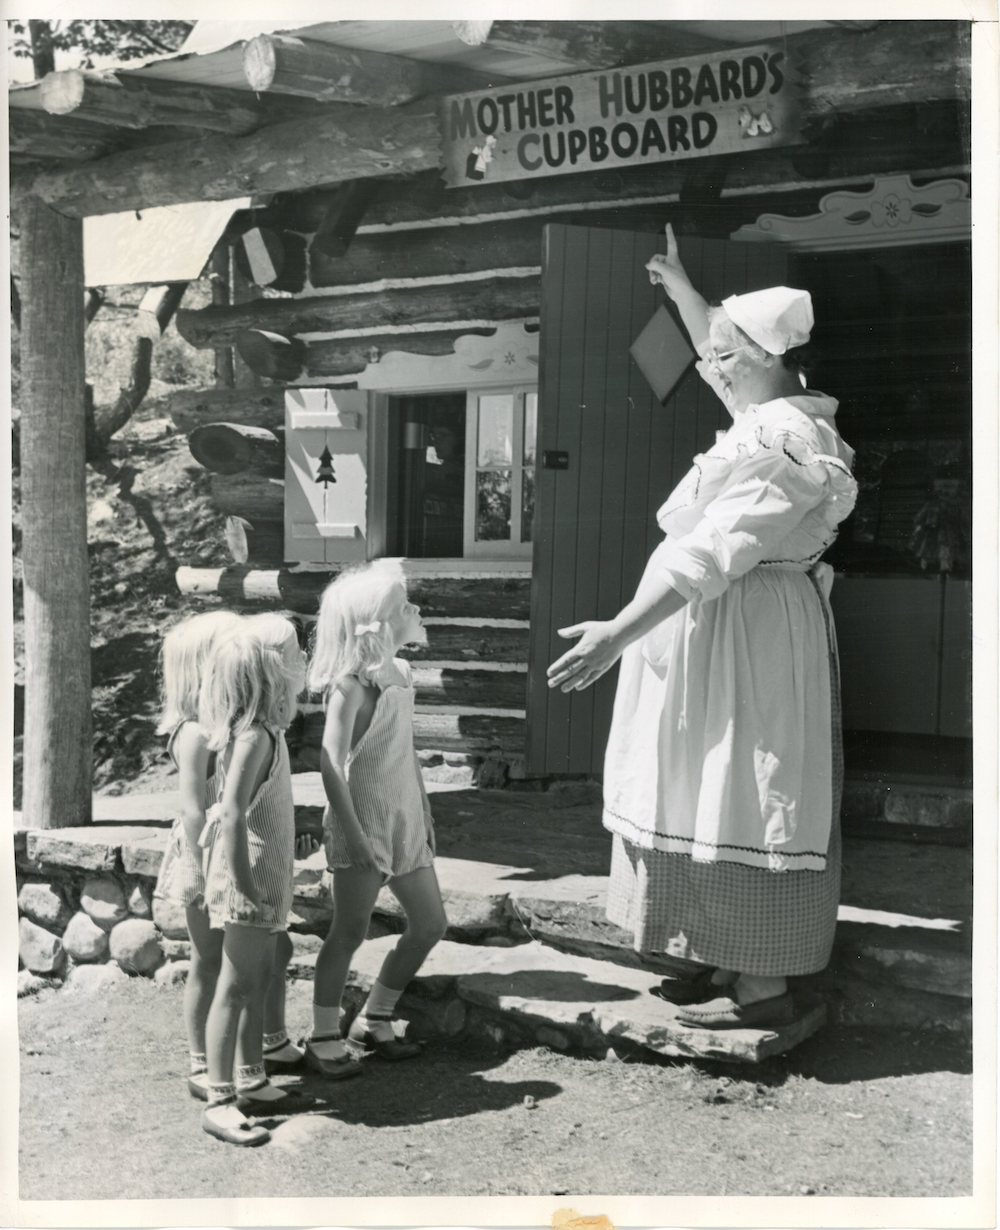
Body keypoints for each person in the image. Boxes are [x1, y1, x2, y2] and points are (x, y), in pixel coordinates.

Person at [547, 223, 858, 1030]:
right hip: (714, 629)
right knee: (700, 779)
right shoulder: (764, 409)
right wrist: (683, 291)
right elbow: (722, 358)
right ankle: (717, 951)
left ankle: (763, 988)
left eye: (721, 351)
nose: (708, 363)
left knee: (744, 786)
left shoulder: (787, 440)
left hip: (749, 631)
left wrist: (617, 633)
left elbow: (712, 555)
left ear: (755, 357)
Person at [305, 560, 447, 1073]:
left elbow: (404, 754)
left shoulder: (402, 675)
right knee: (348, 931)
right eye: (405, 606)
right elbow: (330, 761)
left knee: (431, 923)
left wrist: (424, 811)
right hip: (361, 827)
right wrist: (353, 835)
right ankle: (322, 1036)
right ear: (381, 624)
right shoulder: (350, 688)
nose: (416, 610)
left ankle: (375, 1018)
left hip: (404, 820)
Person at [196, 615, 310, 1146]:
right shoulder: (254, 738)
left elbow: (262, 810)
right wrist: (242, 885)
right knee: (236, 985)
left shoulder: (273, 732)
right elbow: (235, 815)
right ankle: (219, 1098)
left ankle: (251, 1076)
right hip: (246, 881)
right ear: (274, 673)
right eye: (297, 654)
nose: (305, 660)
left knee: (259, 977)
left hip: (264, 877)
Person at [153, 610, 241, 1102]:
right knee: (208, 959)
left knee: (235, 958)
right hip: (204, 855)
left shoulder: (224, 724)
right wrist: (203, 868)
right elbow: (192, 810)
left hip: (227, 850)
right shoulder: (193, 733)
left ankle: (236, 1048)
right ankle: (200, 1060)